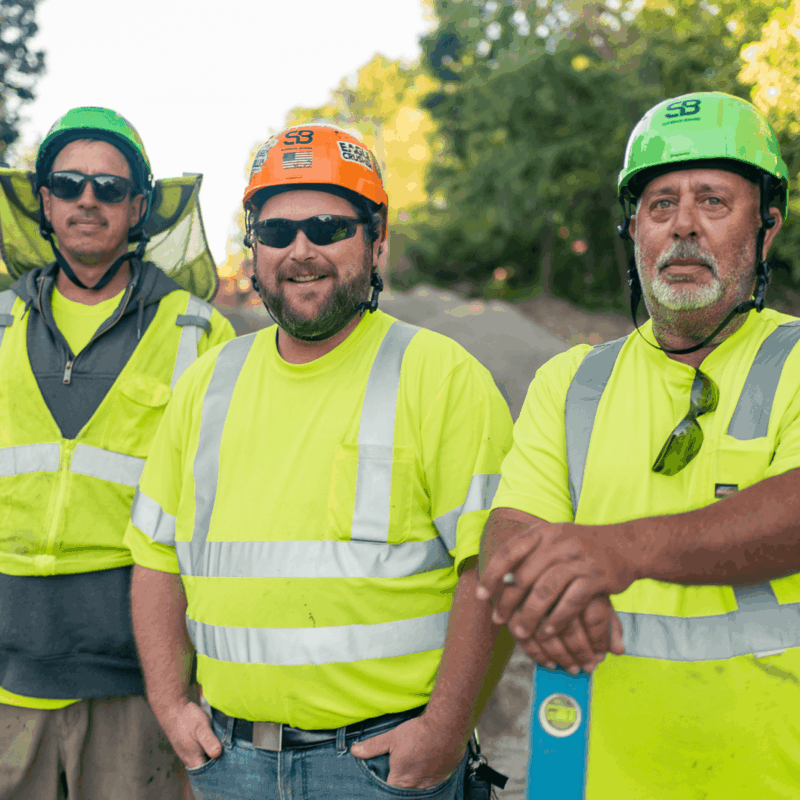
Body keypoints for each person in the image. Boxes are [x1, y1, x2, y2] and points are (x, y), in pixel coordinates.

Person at [124, 123, 515, 799]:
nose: (300, 251)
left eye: (328, 227)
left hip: (383, 767)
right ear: (254, 247)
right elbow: (156, 557)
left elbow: (494, 569)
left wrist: (446, 734)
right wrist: (169, 704)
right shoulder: (208, 383)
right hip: (230, 762)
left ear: (376, 235)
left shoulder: (440, 377)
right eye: (277, 233)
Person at [477, 91, 800, 798]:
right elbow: (509, 535)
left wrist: (617, 552)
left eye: (713, 201)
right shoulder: (570, 381)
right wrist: (537, 587)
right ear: (634, 233)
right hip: (586, 777)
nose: (683, 224)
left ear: (766, 228)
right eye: (660, 205)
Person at [0, 106, 235, 800]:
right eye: (69, 184)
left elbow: (221, 511)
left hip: (142, 682)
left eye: (110, 187)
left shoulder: (198, 332)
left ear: (139, 206)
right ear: (44, 202)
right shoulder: (0, 322)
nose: (87, 200)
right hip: (9, 676)